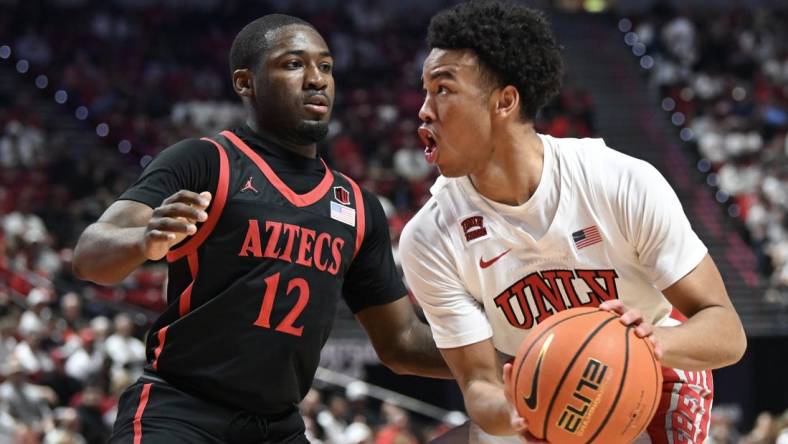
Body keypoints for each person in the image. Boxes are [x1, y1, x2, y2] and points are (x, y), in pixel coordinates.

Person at [72, 14, 449, 444]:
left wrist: (508, 360)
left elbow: (401, 341)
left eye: (325, 67)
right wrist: (143, 240)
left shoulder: (359, 207)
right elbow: (89, 256)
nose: (316, 80)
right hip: (180, 412)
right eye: (293, 64)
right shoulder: (203, 160)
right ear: (244, 82)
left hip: (279, 428)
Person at [398, 1, 747, 443]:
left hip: (651, 377)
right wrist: (517, 413)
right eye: (425, 91)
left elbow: (728, 333)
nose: (424, 110)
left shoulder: (617, 181)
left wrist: (651, 341)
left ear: (504, 101)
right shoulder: (429, 238)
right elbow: (479, 384)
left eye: (443, 90)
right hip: (539, 393)